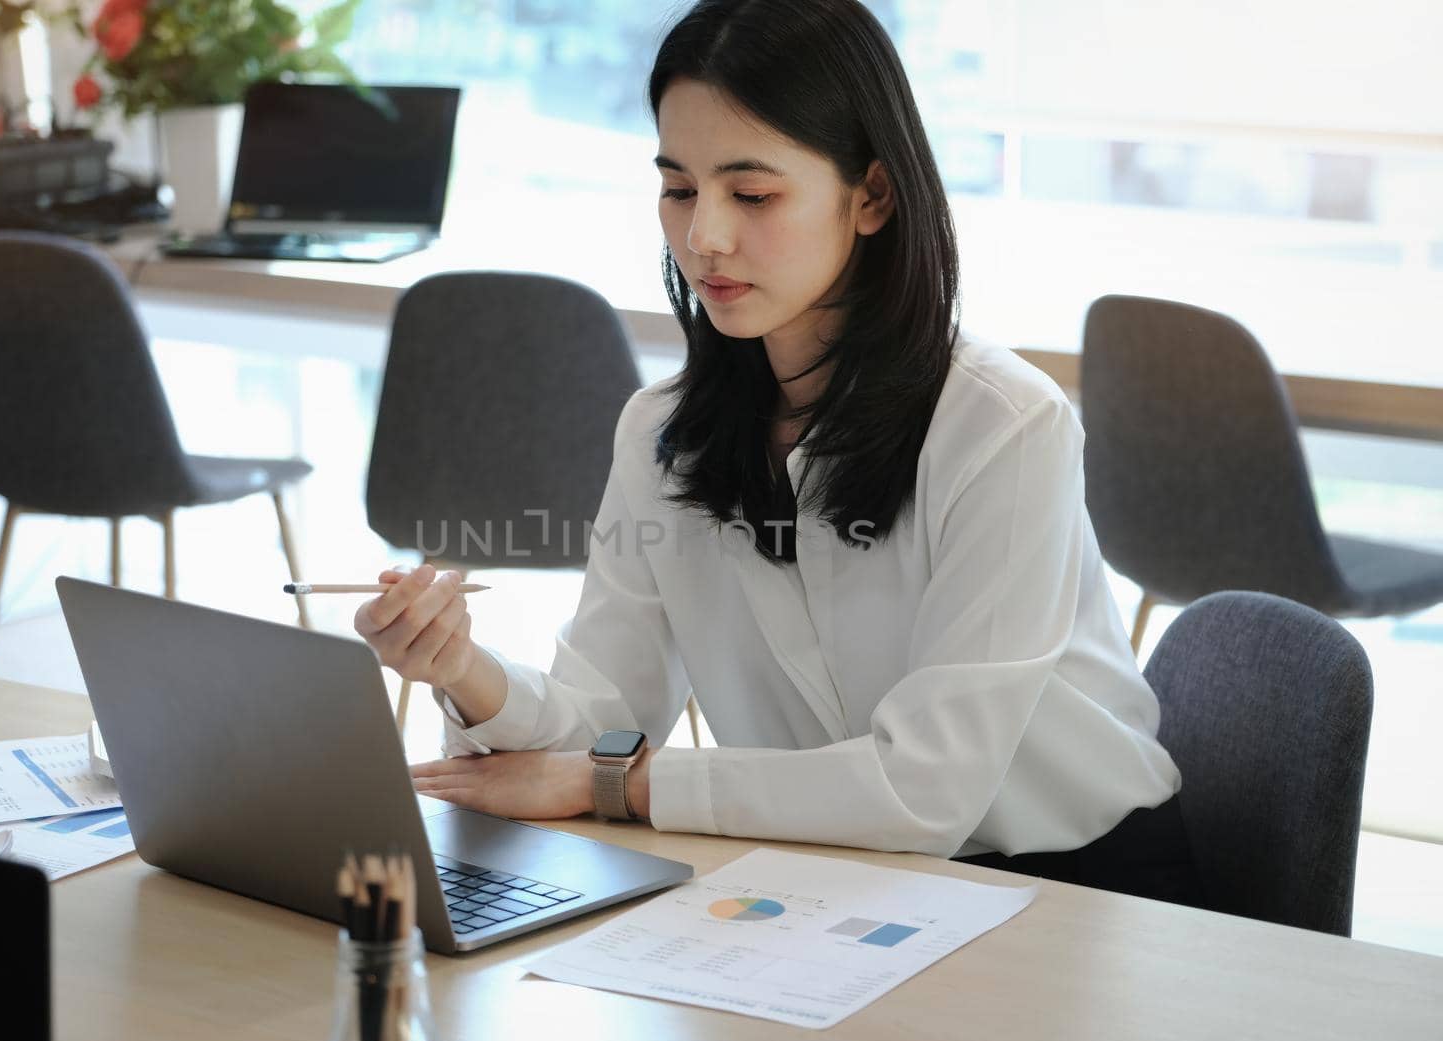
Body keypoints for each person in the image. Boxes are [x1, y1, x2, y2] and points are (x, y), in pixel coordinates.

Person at [355, 0, 1202, 907]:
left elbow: (926, 790)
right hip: (831, 877)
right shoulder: (661, 434)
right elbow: (599, 720)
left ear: (872, 195)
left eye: (751, 194)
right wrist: (461, 671)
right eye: (679, 189)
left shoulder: (1004, 426)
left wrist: (625, 787)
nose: (703, 237)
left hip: (1077, 894)